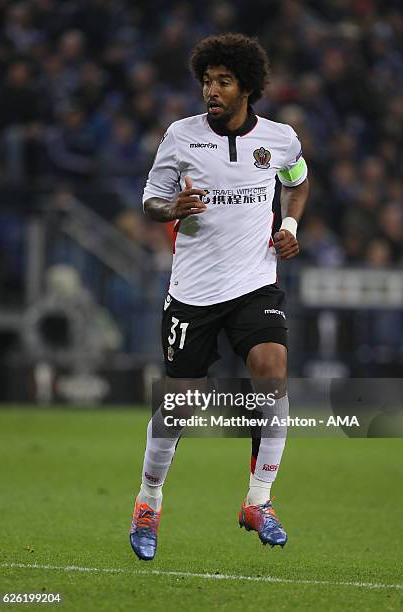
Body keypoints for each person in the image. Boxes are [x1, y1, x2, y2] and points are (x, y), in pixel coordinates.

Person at [129, 33, 309, 561]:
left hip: (255, 284)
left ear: (246, 88)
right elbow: (150, 202)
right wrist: (174, 209)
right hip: (194, 292)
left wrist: (291, 222)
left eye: (223, 82)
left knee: (273, 370)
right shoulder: (180, 137)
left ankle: (259, 500)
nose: (212, 90)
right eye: (207, 81)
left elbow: (298, 181)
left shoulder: (280, 139)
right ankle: (148, 502)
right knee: (177, 405)